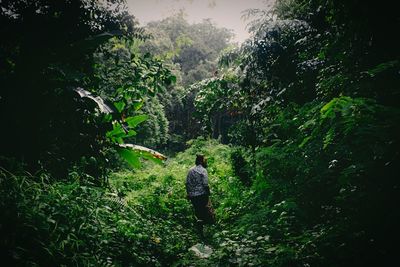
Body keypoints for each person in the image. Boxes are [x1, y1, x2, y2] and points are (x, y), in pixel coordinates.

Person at [185, 154, 215, 238]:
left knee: (198, 212)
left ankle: (200, 231)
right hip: (202, 195)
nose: (206, 162)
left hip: (193, 196)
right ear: (201, 161)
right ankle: (205, 231)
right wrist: (208, 193)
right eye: (205, 160)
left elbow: (187, 183)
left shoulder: (190, 170)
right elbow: (205, 184)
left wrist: (188, 193)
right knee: (205, 212)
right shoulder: (203, 170)